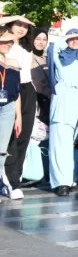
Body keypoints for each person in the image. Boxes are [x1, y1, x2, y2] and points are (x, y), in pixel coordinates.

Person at [48, 29, 78, 197]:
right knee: (59, 143)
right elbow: (53, 47)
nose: (74, 41)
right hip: (62, 101)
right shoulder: (58, 56)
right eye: (71, 39)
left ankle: (71, 178)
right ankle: (61, 182)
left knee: (74, 143)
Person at [0, 16, 37, 197]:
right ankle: (10, 181)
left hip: (27, 89)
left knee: (23, 135)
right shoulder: (4, 42)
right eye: (19, 25)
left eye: (25, 26)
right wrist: (15, 17)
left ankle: (16, 177)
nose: (22, 28)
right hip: (8, 89)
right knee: (9, 138)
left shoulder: (25, 47)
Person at [0, 28, 25, 200]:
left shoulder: (14, 62)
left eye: (11, 42)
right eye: (4, 41)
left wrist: (19, 116)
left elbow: (16, 92)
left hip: (8, 107)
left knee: (1, 149)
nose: (9, 44)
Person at [28, 28, 51, 129]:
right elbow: (35, 80)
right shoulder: (28, 56)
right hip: (34, 99)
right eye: (38, 39)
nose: (41, 42)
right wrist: (48, 93)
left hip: (46, 100)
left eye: (44, 39)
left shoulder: (46, 58)